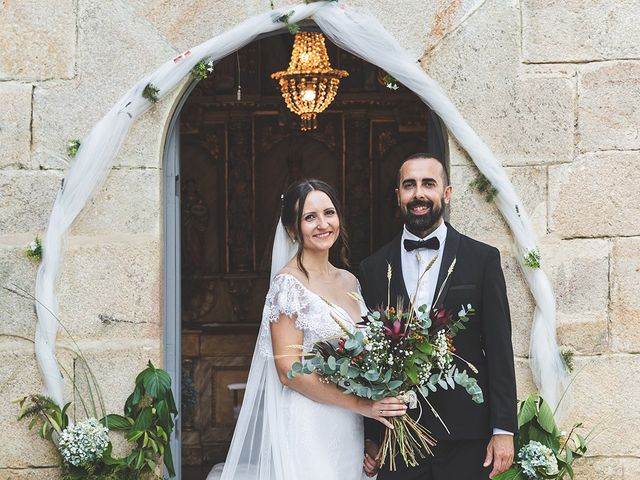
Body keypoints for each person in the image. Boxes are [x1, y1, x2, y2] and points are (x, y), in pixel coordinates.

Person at [212, 179, 407, 480]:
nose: (322, 224)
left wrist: (368, 420)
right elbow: (288, 370)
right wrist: (360, 404)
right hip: (308, 424)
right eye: (309, 217)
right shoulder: (288, 285)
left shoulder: (350, 281)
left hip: (349, 424)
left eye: (329, 213)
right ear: (292, 229)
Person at [358, 153, 517, 480]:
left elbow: (499, 349)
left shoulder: (483, 259)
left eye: (428, 184)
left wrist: (504, 430)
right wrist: (371, 437)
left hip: (467, 435)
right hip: (399, 437)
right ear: (398, 196)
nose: (418, 193)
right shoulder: (372, 269)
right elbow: (366, 360)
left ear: (447, 193)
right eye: (409, 185)